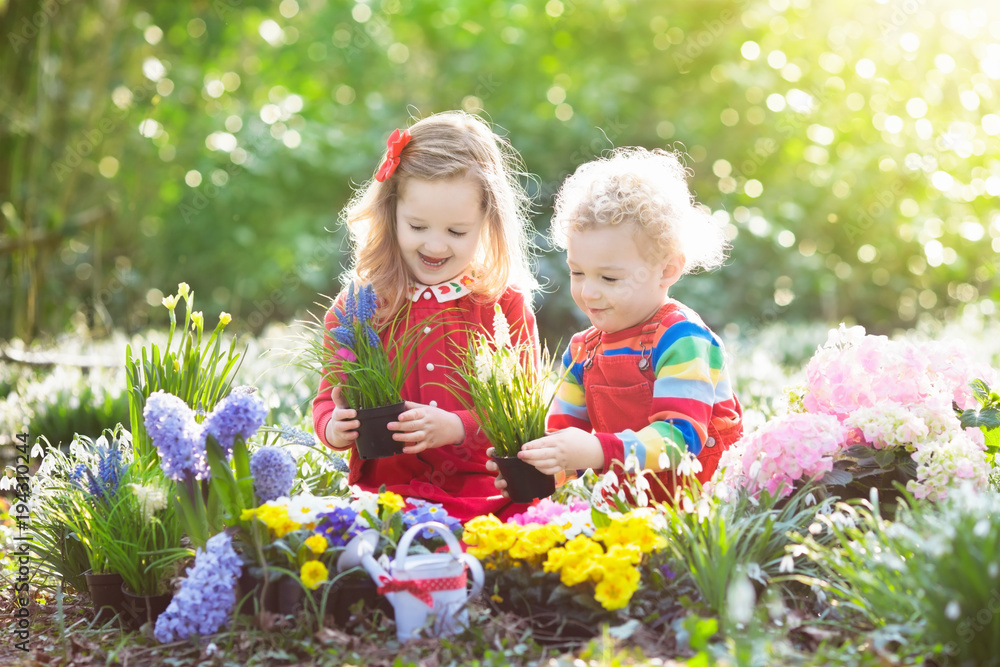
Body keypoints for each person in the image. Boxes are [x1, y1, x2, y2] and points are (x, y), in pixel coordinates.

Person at [312, 111, 539, 521]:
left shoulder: (503, 306)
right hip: (387, 495)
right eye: (417, 226)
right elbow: (329, 397)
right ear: (391, 214)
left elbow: (524, 412)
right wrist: (334, 425)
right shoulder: (359, 308)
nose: (435, 245)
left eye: (456, 232)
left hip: (484, 495)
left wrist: (457, 426)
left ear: (487, 223)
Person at [491, 147, 743, 503]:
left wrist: (597, 450)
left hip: (703, 511)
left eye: (609, 278)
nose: (588, 292)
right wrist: (536, 468)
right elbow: (564, 439)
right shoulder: (583, 351)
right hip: (631, 512)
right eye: (577, 272)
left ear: (667, 269)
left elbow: (680, 438)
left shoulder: (682, 338)